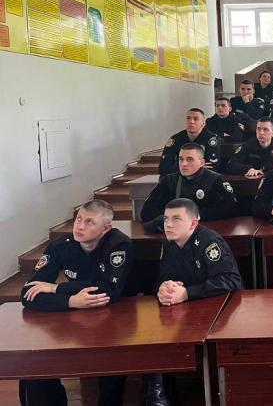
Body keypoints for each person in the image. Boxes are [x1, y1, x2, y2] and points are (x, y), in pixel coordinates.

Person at [20, 200, 133, 406]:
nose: (80, 226)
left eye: (90, 222)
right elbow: (29, 292)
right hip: (74, 315)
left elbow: (109, 291)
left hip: (114, 316)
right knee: (31, 362)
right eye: (79, 219)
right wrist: (71, 301)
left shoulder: (118, 244)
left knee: (113, 360)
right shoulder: (60, 246)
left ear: (105, 228)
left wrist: (56, 288)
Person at [146, 198, 241, 406]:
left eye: (176, 219)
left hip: (217, 312)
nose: (168, 225)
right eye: (166, 219)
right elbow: (164, 278)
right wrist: (163, 288)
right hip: (185, 312)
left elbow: (232, 281)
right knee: (152, 332)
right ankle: (160, 392)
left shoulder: (209, 242)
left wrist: (187, 293)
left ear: (193, 223)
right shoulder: (169, 244)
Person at [142, 143, 238, 228]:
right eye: (181, 159)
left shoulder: (215, 180)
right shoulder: (169, 181)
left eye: (189, 160)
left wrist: (195, 216)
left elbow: (231, 208)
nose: (184, 164)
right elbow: (147, 211)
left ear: (202, 163)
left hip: (206, 230)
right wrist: (171, 217)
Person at [159, 108, 220, 175]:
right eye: (188, 118)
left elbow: (213, 167)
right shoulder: (176, 139)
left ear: (203, 123)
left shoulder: (211, 139)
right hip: (179, 177)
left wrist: (184, 168)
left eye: (195, 119)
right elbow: (163, 168)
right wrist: (195, 167)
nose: (191, 121)